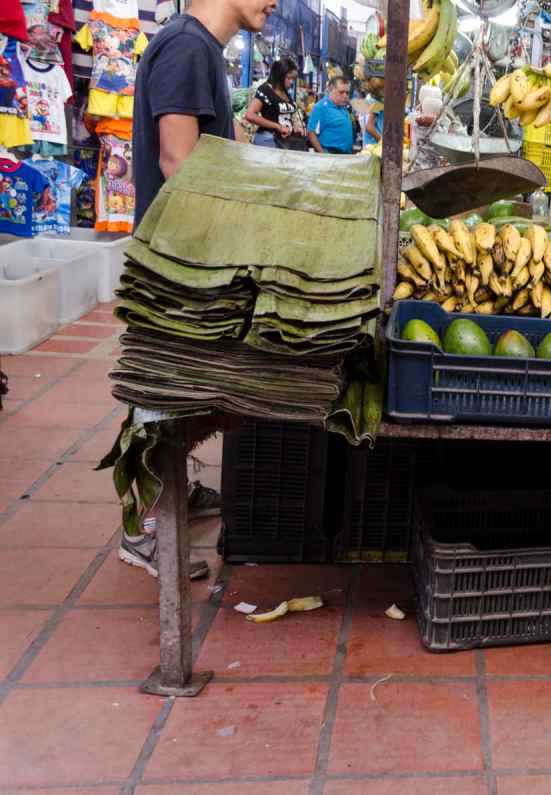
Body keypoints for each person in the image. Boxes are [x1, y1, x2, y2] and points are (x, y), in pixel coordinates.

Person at [131, 0, 277, 578]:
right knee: (161, 387)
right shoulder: (188, 47)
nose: (275, 3)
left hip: (190, 250)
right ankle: (144, 529)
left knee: (182, 389)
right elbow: (179, 160)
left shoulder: (205, 52)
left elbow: (226, 144)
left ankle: (172, 497)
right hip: (177, 254)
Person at [244, 58, 306, 150]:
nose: (291, 82)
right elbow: (250, 115)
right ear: (279, 75)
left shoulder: (285, 92)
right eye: (288, 78)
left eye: (293, 79)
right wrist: (277, 126)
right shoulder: (265, 90)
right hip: (268, 140)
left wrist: (296, 126)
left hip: (285, 142)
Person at [306, 76, 356, 154]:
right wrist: (322, 154)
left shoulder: (343, 108)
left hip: (345, 155)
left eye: (347, 92)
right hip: (330, 155)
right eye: (341, 92)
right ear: (331, 89)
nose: (345, 96)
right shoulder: (320, 107)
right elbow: (311, 133)